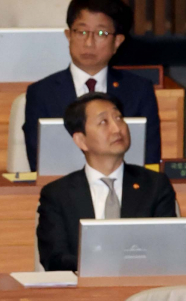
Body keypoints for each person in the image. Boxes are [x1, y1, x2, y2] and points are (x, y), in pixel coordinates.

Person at [35, 92, 177, 273]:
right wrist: (105, 265)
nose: (117, 128)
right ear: (81, 140)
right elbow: (54, 259)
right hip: (81, 292)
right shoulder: (57, 194)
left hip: (141, 287)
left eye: (119, 118)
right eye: (104, 122)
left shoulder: (155, 185)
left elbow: (169, 249)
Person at [22, 0, 161, 170]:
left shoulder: (139, 90)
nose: (88, 42)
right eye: (81, 32)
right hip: (63, 191)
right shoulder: (41, 93)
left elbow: (149, 158)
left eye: (101, 33)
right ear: (68, 35)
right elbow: (37, 160)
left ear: (117, 41)